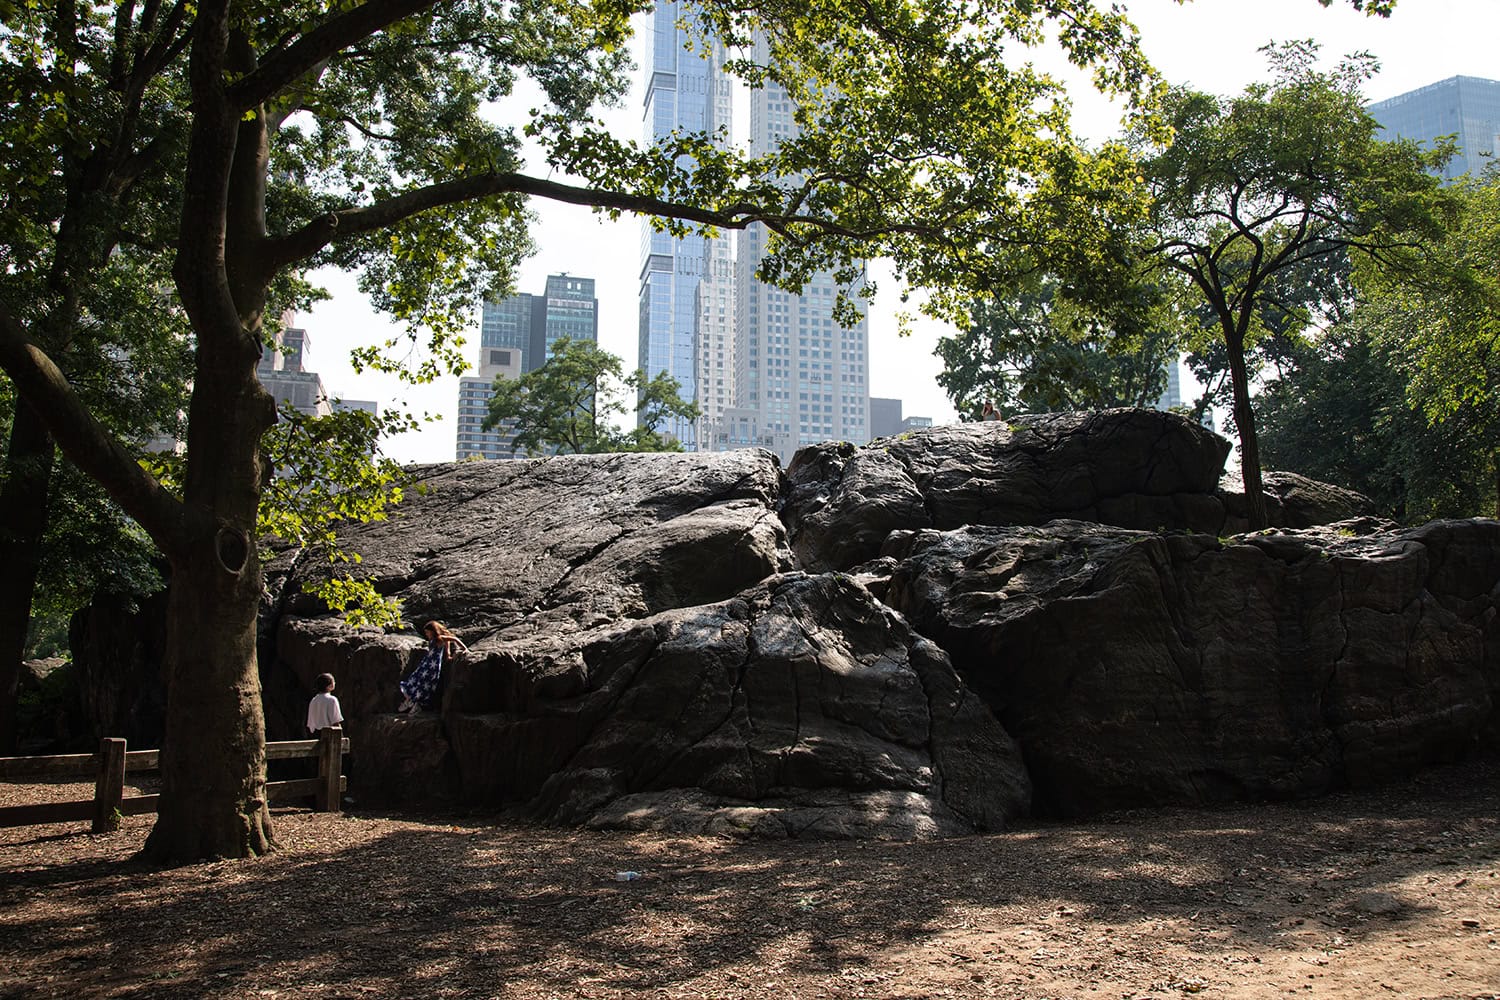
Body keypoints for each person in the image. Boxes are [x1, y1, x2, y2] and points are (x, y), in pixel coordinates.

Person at [398, 620, 465, 714]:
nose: (426, 634)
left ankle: (416, 703)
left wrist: (464, 649)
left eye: (427, 632)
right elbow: (447, 653)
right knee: (415, 678)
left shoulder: (440, 638)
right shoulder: (433, 640)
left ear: (433, 631)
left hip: (432, 666)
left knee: (424, 683)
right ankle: (410, 700)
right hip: (425, 664)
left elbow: (454, 639)